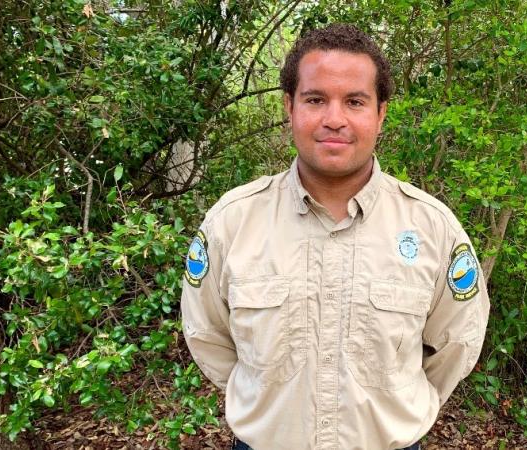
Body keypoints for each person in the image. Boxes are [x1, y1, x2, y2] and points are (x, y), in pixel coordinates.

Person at [181, 23, 490, 450]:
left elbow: (455, 345)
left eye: (355, 102)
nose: (334, 119)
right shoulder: (231, 224)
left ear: (381, 114)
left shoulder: (433, 229)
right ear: (289, 107)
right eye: (315, 99)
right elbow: (208, 336)